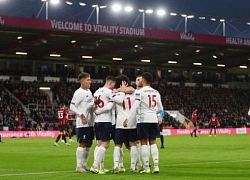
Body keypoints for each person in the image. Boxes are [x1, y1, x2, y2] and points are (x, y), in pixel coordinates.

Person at [124, 72, 163, 174]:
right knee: (153, 142)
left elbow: (135, 106)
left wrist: (128, 117)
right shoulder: (156, 92)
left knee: (144, 143)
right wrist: (153, 112)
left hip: (143, 119)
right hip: (153, 119)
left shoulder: (140, 92)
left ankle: (146, 167)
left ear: (143, 80)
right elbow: (160, 108)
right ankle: (156, 166)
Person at [90, 75, 120, 175]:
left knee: (99, 144)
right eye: (113, 85)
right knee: (106, 144)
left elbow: (93, 105)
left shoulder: (97, 91)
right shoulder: (108, 91)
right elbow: (113, 104)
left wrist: (96, 112)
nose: (113, 87)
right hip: (105, 120)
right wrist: (117, 93)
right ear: (110, 83)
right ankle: (94, 166)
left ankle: (101, 167)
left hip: (97, 121)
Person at [70, 72, 97, 173]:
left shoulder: (89, 91)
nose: (90, 81)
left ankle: (84, 164)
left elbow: (88, 106)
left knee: (89, 143)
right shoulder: (78, 92)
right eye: (88, 80)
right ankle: (78, 166)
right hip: (83, 122)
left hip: (90, 122)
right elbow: (72, 106)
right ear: (82, 81)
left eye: (90, 79)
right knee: (82, 143)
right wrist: (81, 115)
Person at [112, 75, 138, 173]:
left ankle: (115, 166)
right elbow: (132, 90)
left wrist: (119, 89)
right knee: (132, 144)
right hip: (131, 122)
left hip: (119, 122)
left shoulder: (116, 93)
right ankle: (132, 167)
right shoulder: (134, 93)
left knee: (118, 145)